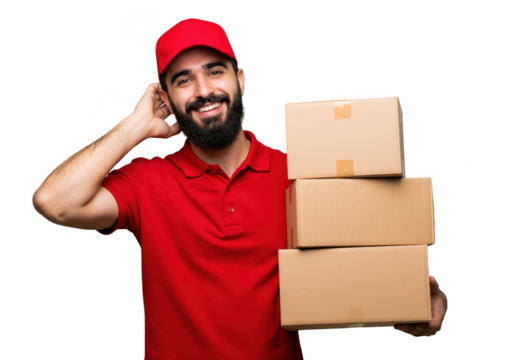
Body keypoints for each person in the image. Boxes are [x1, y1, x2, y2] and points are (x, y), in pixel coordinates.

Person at [32, 18, 448, 360]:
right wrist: (137, 125)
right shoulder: (146, 181)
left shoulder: (300, 174)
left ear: (241, 80)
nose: (203, 92)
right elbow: (54, 201)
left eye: (215, 71)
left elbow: (363, 270)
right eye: (183, 81)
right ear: (165, 99)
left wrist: (418, 301)